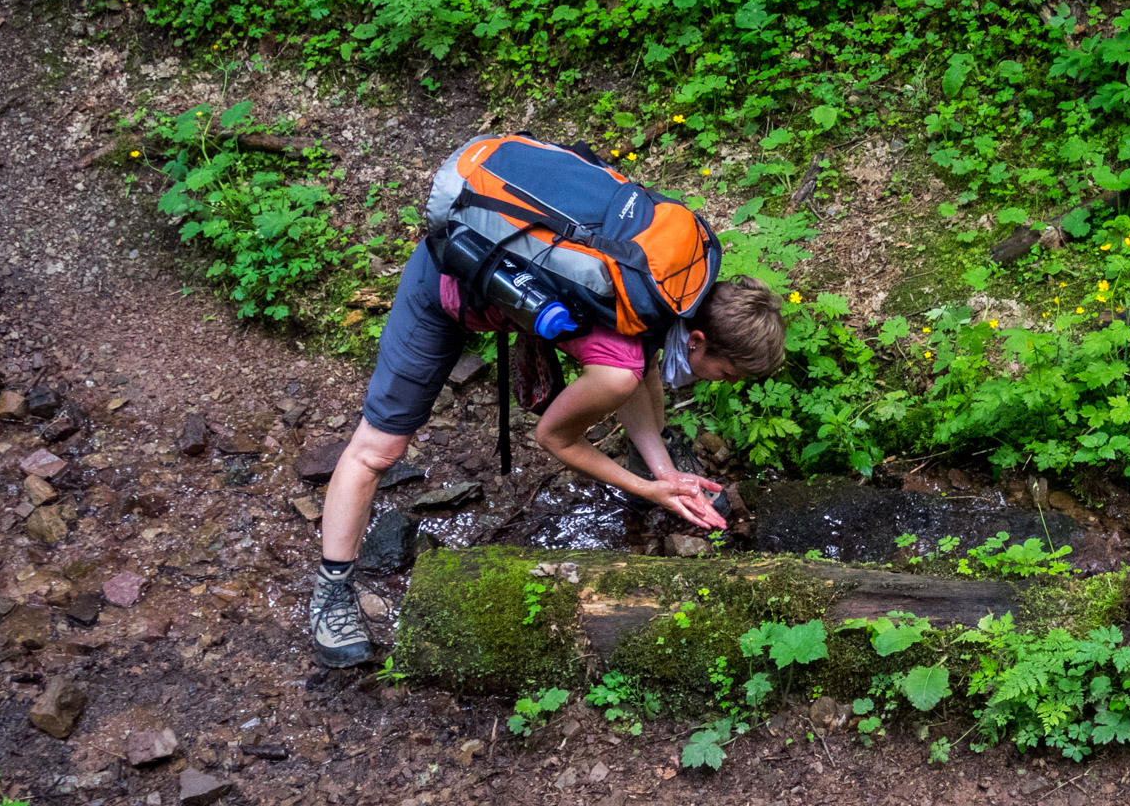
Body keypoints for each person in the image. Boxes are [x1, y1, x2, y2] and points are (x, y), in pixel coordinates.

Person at [308, 196, 786, 668]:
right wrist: (646, 488)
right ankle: (331, 596)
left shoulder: (670, 294)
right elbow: (556, 439)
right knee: (378, 450)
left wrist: (666, 473)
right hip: (445, 277)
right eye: (725, 374)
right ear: (698, 341)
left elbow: (636, 369)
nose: (717, 383)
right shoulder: (629, 352)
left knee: (639, 390)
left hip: (499, 265)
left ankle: (656, 473)